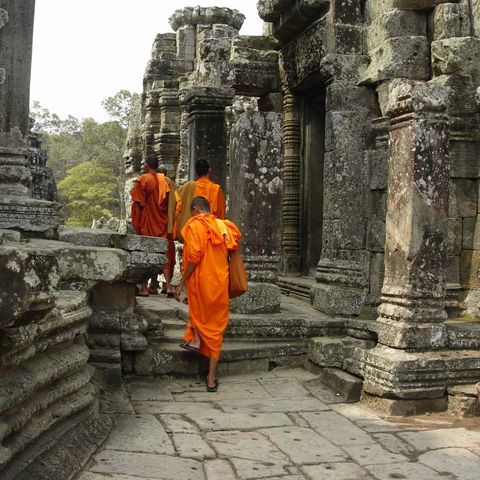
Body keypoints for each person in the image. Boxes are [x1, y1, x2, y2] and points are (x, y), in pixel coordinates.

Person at [174, 196, 240, 392]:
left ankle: (195, 340)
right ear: (209, 210)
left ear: (194, 210)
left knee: (198, 312)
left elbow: (194, 256)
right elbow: (234, 246)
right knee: (216, 330)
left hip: (201, 282)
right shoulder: (224, 226)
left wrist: (181, 282)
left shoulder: (194, 226)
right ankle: (211, 379)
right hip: (220, 282)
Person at [131, 154, 175, 296]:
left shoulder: (144, 179)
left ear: (146, 165)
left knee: (146, 253)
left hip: (148, 222)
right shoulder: (166, 182)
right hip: (162, 221)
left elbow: (140, 202)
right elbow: (172, 203)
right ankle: (168, 286)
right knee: (165, 254)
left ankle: (144, 288)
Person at [174, 159, 226, 242]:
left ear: (196, 172)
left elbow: (178, 207)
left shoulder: (188, 187)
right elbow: (221, 214)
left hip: (192, 231)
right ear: (209, 170)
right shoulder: (216, 190)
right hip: (210, 234)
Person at [158, 164, 177, 296]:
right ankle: (168, 285)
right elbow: (178, 203)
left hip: (157, 222)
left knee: (155, 252)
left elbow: (160, 202)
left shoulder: (158, 181)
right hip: (169, 223)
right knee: (168, 254)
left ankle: (153, 285)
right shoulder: (172, 183)